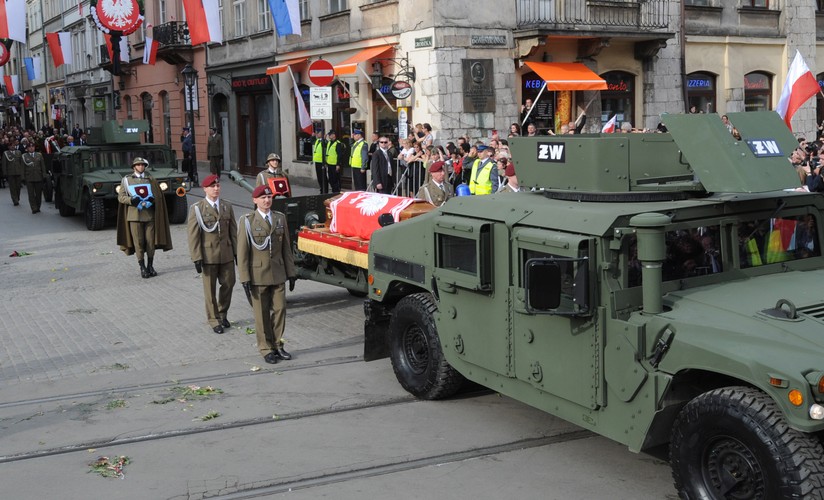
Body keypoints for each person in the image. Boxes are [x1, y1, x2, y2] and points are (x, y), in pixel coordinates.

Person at [237, 184, 297, 364]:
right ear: (255, 200)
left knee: (280, 309)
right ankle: (265, 348)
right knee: (261, 313)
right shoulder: (247, 221)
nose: (267, 200)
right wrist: (245, 278)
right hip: (258, 275)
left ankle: (277, 344)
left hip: (278, 272)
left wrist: (291, 272)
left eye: (269, 197)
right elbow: (242, 252)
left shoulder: (280, 218)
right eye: (263, 198)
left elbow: (286, 248)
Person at [188, 174, 237, 334]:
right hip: (208, 256)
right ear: (205, 189)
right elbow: (193, 235)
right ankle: (214, 319)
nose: (216, 189)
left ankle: (222, 314)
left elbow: (233, 232)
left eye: (218, 186)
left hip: (227, 254)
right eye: (212, 187)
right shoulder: (197, 208)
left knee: (229, 284)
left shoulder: (227, 206)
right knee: (210, 290)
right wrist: (196, 257)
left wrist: (237, 252)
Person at [116, 157, 173, 278]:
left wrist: (153, 199)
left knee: (150, 242)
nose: (141, 167)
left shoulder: (150, 179)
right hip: (134, 216)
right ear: (134, 167)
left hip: (149, 215)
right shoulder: (127, 180)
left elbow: (158, 195)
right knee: (139, 242)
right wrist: (131, 200)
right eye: (138, 165)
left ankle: (150, 265)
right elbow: (121, 197)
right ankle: (142, 267)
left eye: (143, 165)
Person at [22, 142, 48, 213]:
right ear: (27, 149)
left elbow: (42, 166)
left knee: (38, 194)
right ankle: (33, 208)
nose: (31, 148)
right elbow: (23, 168)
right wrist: (23, 178)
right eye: (29, 147)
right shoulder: (24, 156)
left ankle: (38, 206)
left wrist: (44, 175)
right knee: (31, 194)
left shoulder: (39, 155)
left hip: (38, 176)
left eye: (32, 146)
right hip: (29, 177)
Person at [3, 138, 23, 206]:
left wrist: (22, 172)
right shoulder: (6, 153)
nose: (12, 146)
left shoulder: (18, 152)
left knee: (18, 187)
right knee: (12, 187)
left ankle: (17, 197)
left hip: (18, 172)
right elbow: (4, 164)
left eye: (13, 145)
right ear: (8, 147)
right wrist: (5, 173)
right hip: (10, 172)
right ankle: (15, 200)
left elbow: (21, 163)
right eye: (11, 145)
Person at [312, 129, 327, 193]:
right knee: (319, 177)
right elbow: (312, 142)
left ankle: (325, 190)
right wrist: (312, 136)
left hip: (322, 162)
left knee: (323, 176)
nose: (317, 134)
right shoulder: (317, 140)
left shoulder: (324, 141)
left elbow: (325, 146)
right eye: (317, 133)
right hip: (317, 161)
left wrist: (324, 139)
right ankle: (321, 188)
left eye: (318, 133)